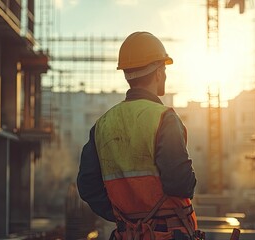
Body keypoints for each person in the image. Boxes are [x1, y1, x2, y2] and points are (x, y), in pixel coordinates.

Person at [77, 32, 200, 240]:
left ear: (127, 74)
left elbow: (88, 185)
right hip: (168, 234)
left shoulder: (102, 125)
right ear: (159, 72)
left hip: (127, 235)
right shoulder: (164, 118)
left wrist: (121, 215)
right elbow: (180, 183)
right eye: (165, 69)